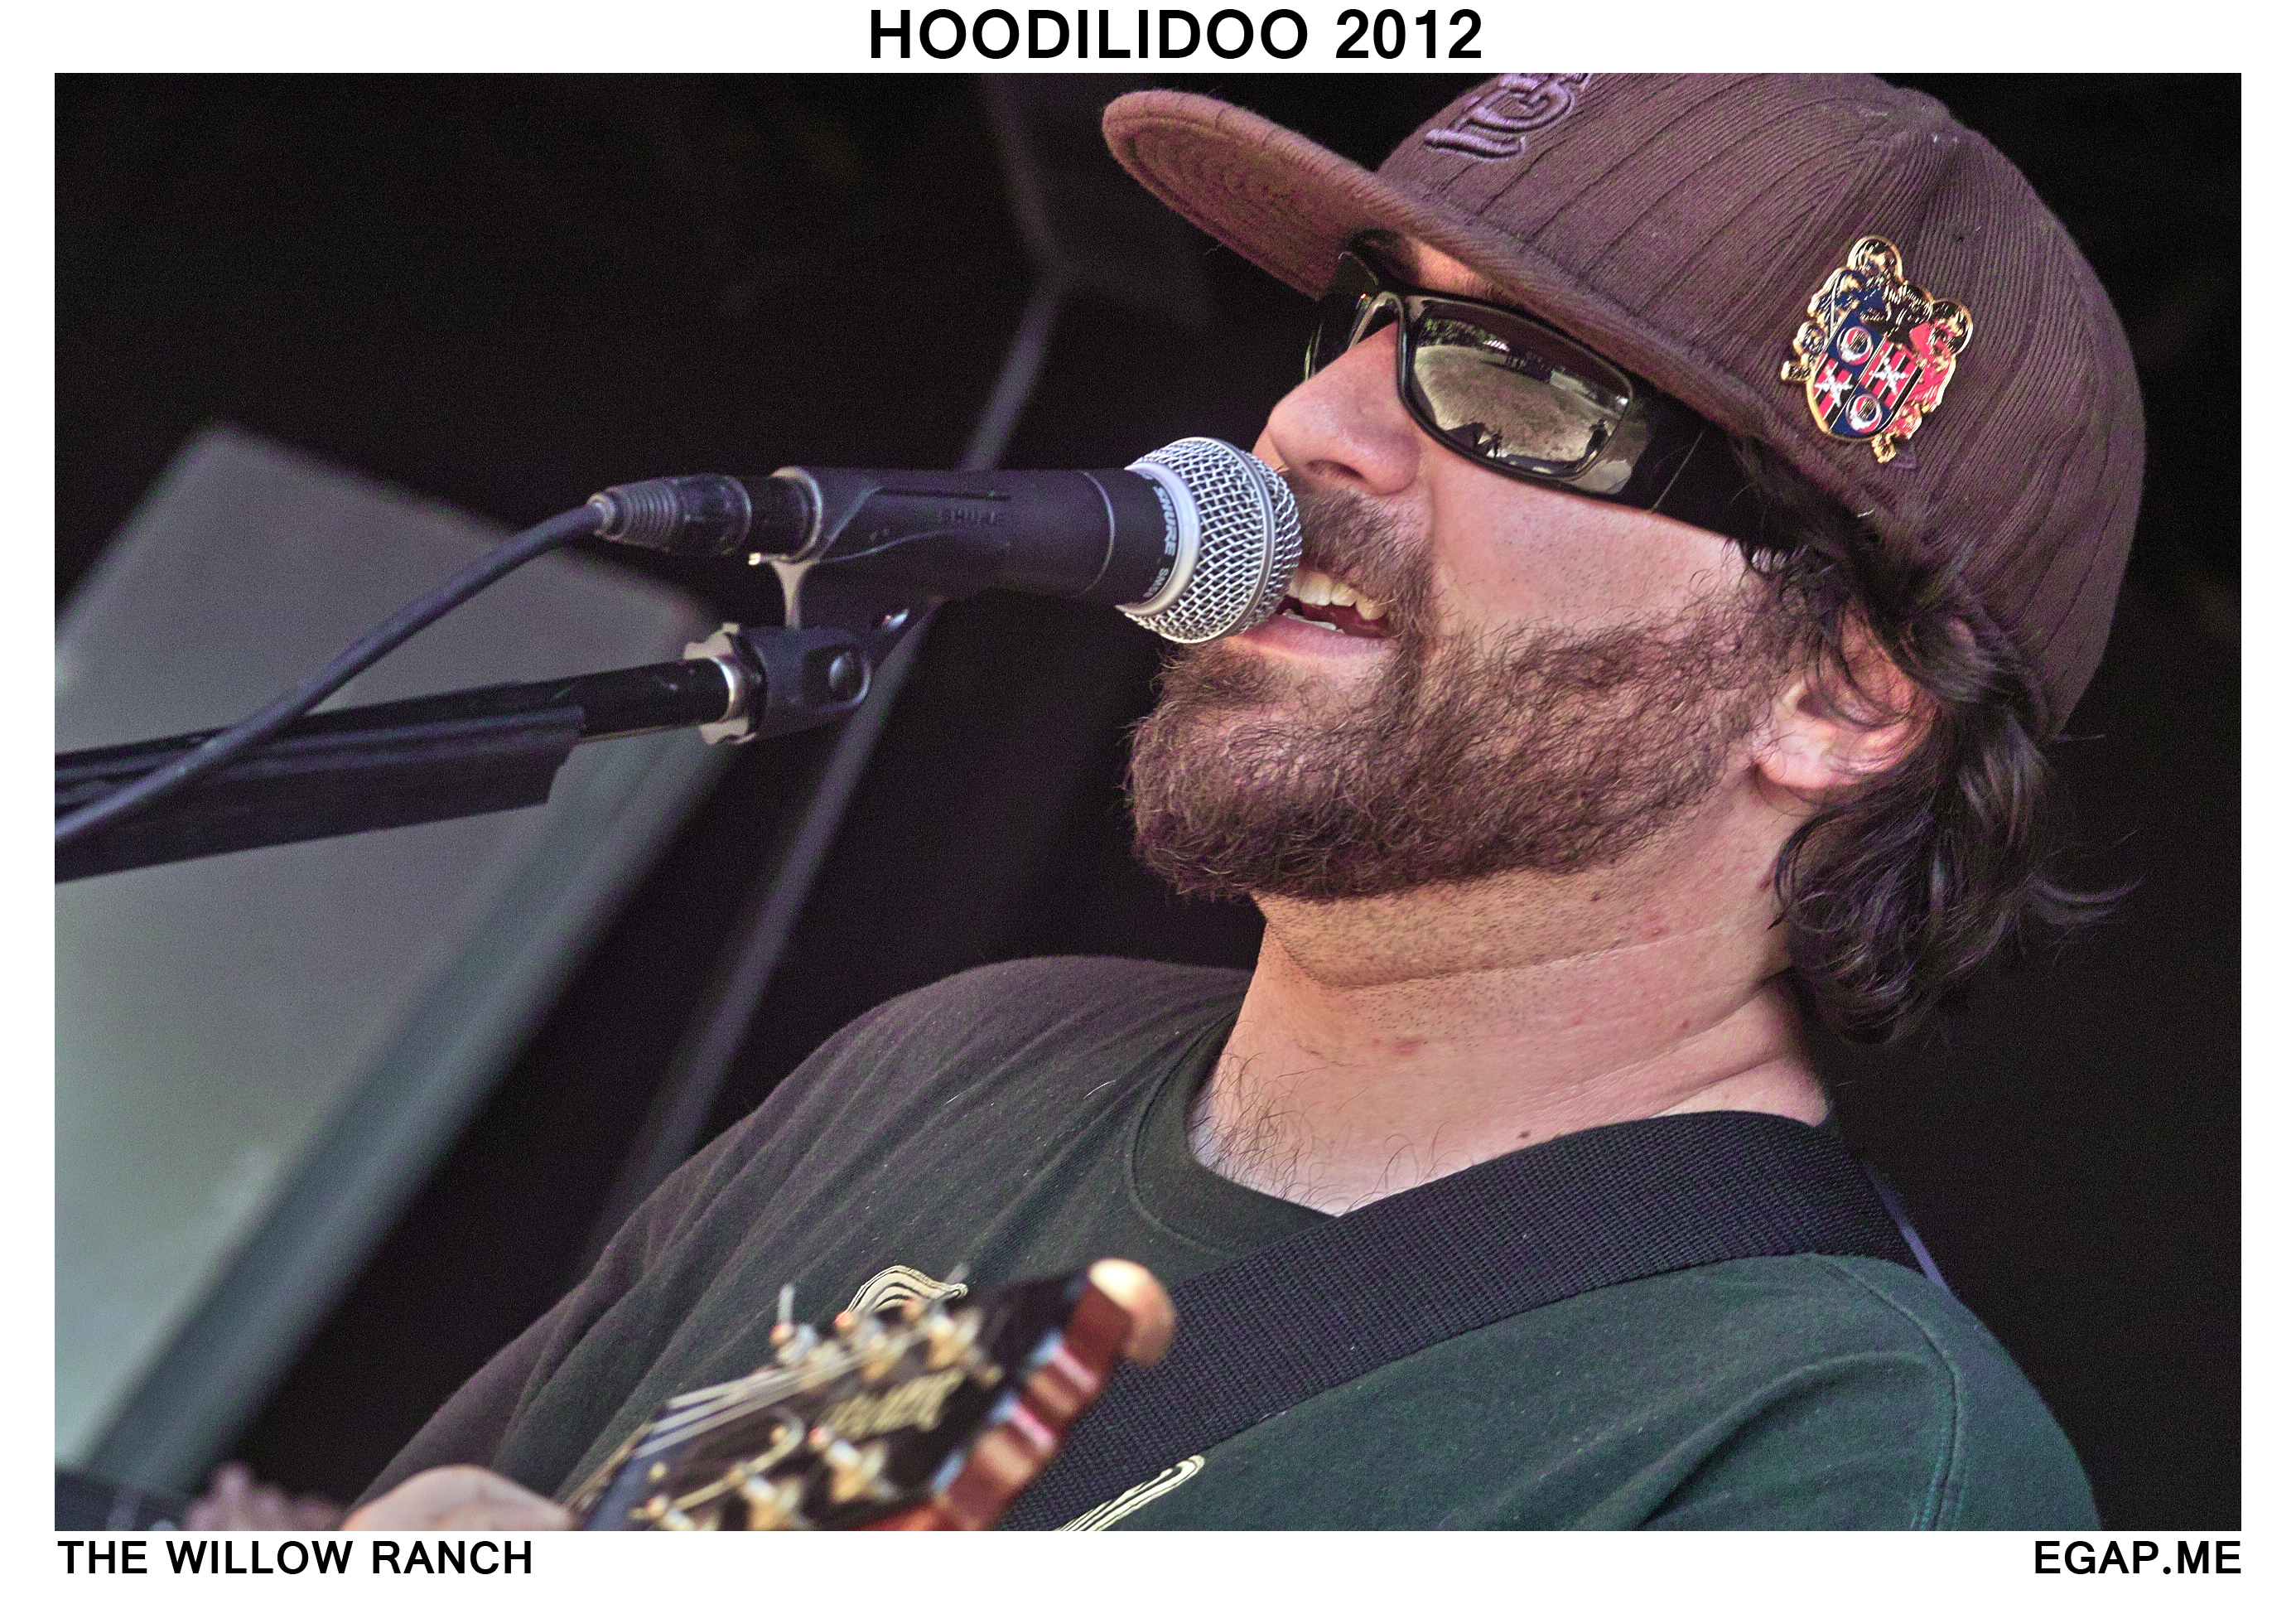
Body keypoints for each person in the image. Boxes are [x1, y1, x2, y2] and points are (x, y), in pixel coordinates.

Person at [242, 74, 2144, 1531]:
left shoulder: (1853, 1458)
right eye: (1356, 324)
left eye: (1516, 391)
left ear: (1838, 691)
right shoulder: (948, 1062)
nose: (1310, 426)